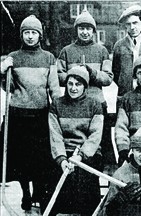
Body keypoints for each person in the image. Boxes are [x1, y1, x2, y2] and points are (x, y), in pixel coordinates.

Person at [0, 15, 60, 211]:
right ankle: (26, 194)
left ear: (40, 35)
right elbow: (6, 87)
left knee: (41, 160)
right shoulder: (14, 57)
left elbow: (54, 88)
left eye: (34, 33)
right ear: (22, 35)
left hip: (40, 116)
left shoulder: (49, 57)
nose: (30, 36)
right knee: (22, 161)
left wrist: (57, 109)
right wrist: (3, 70)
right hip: (18, 116)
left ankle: (38, 194)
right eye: (27, 32)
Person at [57, 9, 114, 164]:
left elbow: (108, 78)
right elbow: (58, 76)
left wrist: (91, 73)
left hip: (97, 104)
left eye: (88, 29)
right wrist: (75, 74)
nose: (85, 32)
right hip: (73, 104)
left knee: (102, 147)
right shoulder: (66, 51)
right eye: (81, 28)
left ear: (93, 31)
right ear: (76, 30)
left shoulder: (102, 51)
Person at [46, 65, 104, 215]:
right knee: (53, 173)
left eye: (78, 84)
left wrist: (80, 156)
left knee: (83, 178)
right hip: (64, 152)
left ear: (85, 86)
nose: (73, 88)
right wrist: (62, 159)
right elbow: (55, 135)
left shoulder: (94, 105)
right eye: (70, 83)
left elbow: (95, 136)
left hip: (86, 153)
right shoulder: (57, 104)